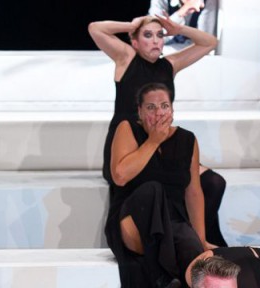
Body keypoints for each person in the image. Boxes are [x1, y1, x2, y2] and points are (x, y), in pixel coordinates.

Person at [87, 13, 226, 247]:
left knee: (213, 182)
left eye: (160, 35)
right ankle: (177, 241)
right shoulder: (126, 58)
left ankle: (198, 239)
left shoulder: (169, 65)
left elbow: (210, 42)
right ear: (135, 42)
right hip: (129, 144)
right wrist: (131, 25)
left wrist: (179, 29)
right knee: (158, 186)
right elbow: (95, 28)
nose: (155, 41)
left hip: (163, 142)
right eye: (148, 35)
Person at [108, 83, 210, 288]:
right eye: (151, 107)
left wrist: (201, 238)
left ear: (172, 110)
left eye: (164, 106)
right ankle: (159, 276)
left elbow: (193, 192)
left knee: (195, 254)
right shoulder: (128, 129)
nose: (159, 113)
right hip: (132, 219)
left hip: (172, 222)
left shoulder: (187, 139)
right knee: (153, 190)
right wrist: (153, 141)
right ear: (140, 112)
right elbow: (120, 175)